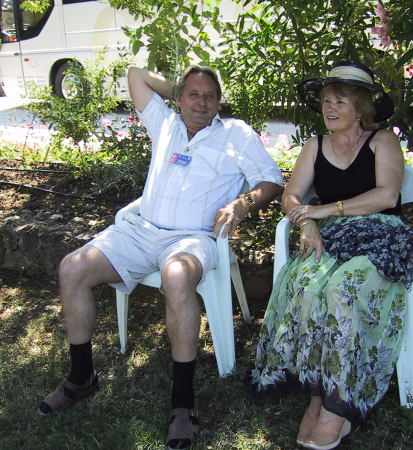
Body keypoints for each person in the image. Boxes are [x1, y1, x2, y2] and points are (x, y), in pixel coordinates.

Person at [37, 65, 284, 450]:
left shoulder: (236, 134)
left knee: (177, 276)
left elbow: (272, 179)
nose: (202, 103)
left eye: (210, 96)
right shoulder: (165, 123)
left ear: (219, 102)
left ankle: (183, 402)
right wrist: (178, 92)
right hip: (140, 231)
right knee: (72, 268)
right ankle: (81, 376)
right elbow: (136, 74)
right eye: (193, 94)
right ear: (178, 98)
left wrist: (243, 203)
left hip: (194, 237)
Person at [243, 61, 413, 450]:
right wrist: (306, 223)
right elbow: (292, 197)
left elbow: (387, 196)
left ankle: (336, 405)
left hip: (380, 237)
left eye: (339, 101)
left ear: (361, 107)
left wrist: (323, 210)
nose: (329, 107)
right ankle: (318, 392)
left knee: (342, 290)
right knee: (306, 287)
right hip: (329, 236)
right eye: (327, 101)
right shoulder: (315, 145)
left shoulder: (382, 141)